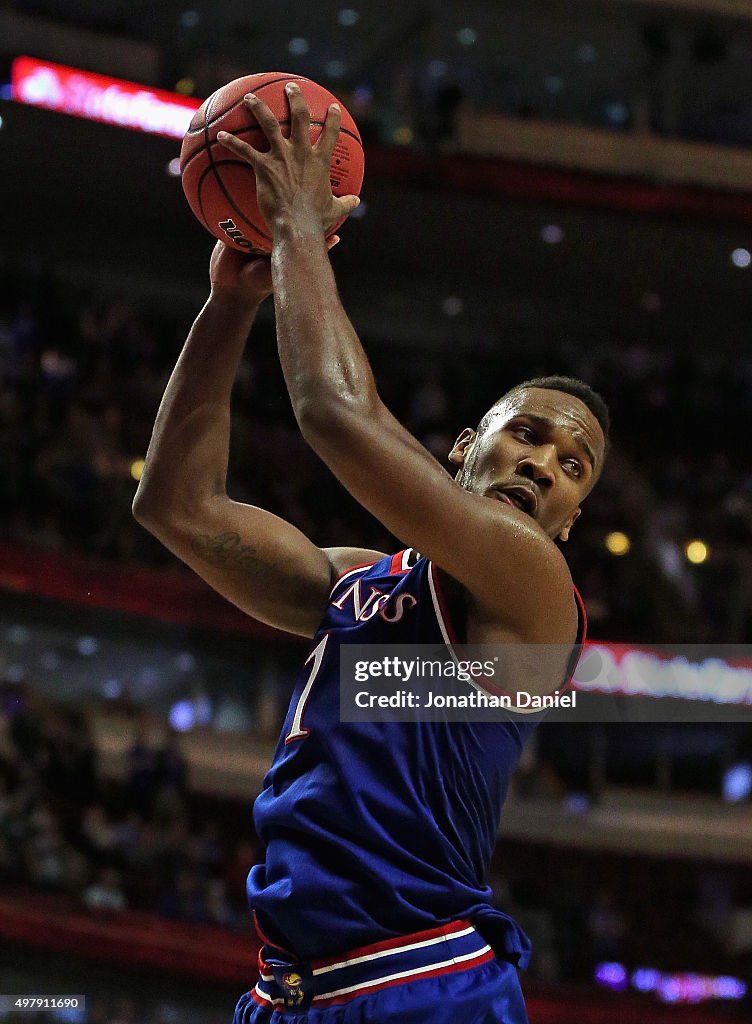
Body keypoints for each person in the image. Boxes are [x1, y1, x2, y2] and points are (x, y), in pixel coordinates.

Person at [133, 84, 609, 1024]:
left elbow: (335, 416)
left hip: (423, 981)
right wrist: (228, 303)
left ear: (564, 525)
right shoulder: (357, 583)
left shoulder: (534, 594)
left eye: (574, 467)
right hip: (288, 992)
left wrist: (298, 228)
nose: (546, 465)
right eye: (529, 436)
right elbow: (176, 506)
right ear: (466, 448)